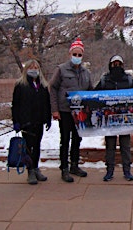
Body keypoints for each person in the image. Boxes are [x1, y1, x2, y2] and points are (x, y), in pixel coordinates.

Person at [49, 38, 92, 183]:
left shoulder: (86, 73)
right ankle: (64, 168)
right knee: (65, 139)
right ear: (70, 54)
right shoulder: (61, 69)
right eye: (75, 54)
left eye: (80, 55)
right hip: (65, 111)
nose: (77, 57)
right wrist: (54, 110)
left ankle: (74, 165)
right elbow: (53, 88)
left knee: (77, 139)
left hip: (79, 113)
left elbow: (90, 91)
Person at [94, 55, 133, 181]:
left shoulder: (129, 80)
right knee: (110, 146)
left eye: (119, 64)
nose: (117, 66)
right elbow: (94, 95)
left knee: (125, 146)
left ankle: (127, 171)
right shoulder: (104, 80)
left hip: (125, 119)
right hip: (109, 119)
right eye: (114, 64)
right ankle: (109, 171)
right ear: (110, 65)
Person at [12, 59, 51, 185]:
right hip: (26, 121)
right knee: (28, 147)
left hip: (38, 121)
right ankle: (30, 171)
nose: (34, 69)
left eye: (36, 67)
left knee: (37, 145)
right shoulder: (20, 85)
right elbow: (16, 105)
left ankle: (36, 168)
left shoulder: (43, 86)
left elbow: (46, 103)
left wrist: (47, 119)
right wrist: (16, 121)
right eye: (31, 67)